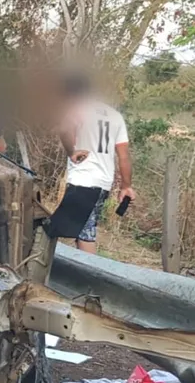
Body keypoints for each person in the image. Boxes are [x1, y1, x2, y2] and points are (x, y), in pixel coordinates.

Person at [52, 73, 135, 253]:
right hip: (103, 183)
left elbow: (64, 128)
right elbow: (123, 156)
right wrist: (126, 186)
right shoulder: (115, 116)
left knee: (80, 233)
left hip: (83, 180)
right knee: (77, 228)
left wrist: (71, 152)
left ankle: (86, 274)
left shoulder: (78, 109)